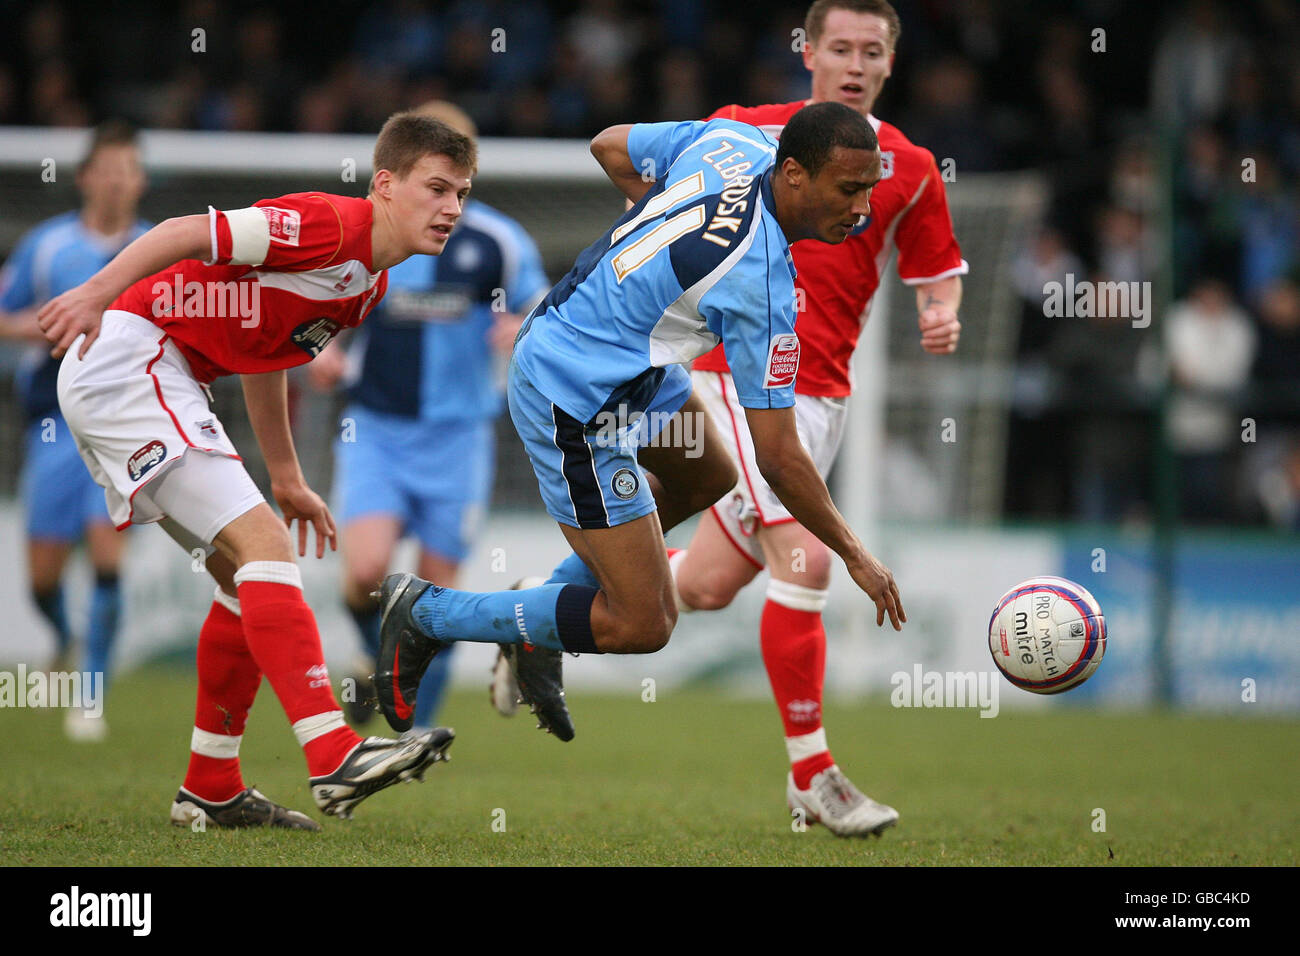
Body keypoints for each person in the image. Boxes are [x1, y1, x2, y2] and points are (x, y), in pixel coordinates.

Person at [373, 103, 907, 836]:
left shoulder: (730, 140)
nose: (863, 208)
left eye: (869, 190)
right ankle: (428, 613)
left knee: (706, 476)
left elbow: (608, 143)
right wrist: (857, 554)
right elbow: (781, 459)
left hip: (633, 369)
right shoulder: (763, 285)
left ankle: (540, 612)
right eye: (848, 191)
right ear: (793, 173)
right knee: (643, 622)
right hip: (575, 399)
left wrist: (654, 231)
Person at [36, 111, 475, 828]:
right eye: (438, 188)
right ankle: (333, 752)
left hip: (159, 370)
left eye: (461, 192)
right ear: (387, 184)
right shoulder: (327, 226)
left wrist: (288, 476)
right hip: (133, 353)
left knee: (246, 582)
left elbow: (266, 354)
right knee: (266, 549)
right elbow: (184, 231)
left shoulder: (369, 287)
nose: (452, 208)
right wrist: (95, 290)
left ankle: (209, 786)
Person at [656, 0, 968, 837]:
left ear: (891, 63)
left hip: (822, 395)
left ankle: (533, 617)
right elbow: (655, 185)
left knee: (704, 586)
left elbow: (938, 269)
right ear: (809, 52)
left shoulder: (910, 165)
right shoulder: (745, 130)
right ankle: (813, 776)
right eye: (841, 47)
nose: (856, 62)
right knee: (806, 557)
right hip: (733, 380)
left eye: (872, 50)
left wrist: (943, 308)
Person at [309, 101, 549, 732]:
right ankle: (373, 653)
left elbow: (540, 308)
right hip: (376, 428)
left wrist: (518, 325)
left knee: (437, 598)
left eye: (459, 174)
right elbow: (327, 309)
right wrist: (324, 349)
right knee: (364, 574)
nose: (450, 193)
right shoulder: (368, 238)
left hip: (458, 436)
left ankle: (415, 738)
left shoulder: (494, 241)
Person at [0, 121, 148, 742]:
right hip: (56, 425)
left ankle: (89, 695)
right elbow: (5, 320)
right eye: (106, 169)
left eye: (128, 170)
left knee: (109, 559)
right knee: (41, 579)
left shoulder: (156, 247)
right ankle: (65, 636)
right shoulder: (46, 246)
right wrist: (62, 321)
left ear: (139, 181)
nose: (117, 181)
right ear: (86, 177)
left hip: (125, 423)